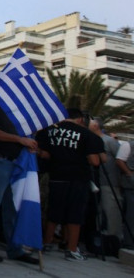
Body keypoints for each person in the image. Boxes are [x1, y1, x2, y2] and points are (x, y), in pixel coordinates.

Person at [0, 95, 40, 265]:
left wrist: (27, 144)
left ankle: (14, 248)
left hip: (13, 162)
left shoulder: (15, 111)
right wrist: (20, 140)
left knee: (11, 209)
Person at [37, 108, 101, 261]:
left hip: (56, 175)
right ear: (80, 119)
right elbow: (95, 161)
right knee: (75, 214)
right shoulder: (87, 134)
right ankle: (72, 249)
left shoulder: (49, 131)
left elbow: (44, 153)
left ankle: (46, 243)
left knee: (53, 211)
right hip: (78, 178)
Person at [89, 118, 123, 241]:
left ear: (96, 126)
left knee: (110, 212)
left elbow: (120, 158)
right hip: (94, 181)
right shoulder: (90, 140)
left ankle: (113, 241)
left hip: (109, 183)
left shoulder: (109, 141)